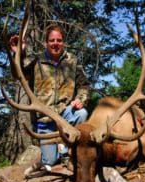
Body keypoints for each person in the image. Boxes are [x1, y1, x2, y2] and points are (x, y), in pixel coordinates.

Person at [10, 24, 89, 172]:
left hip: (66, 116)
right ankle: (54, 154)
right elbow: (18, 74)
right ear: (46, 43)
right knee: (50, 162)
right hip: (45, 120)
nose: (55, 43)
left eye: (59, 40)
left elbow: (84, 85)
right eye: (52, 40)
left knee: (81, 114)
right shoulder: (35, 61)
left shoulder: (72, 61)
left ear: (63, 42)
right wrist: (17, 54)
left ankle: (67, 154)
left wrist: (80, 99)